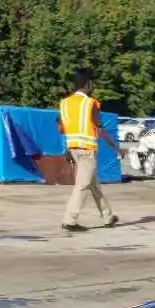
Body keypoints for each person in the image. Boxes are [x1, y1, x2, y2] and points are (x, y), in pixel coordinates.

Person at [57, 69, 120, 231]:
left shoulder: (64, 103)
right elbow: (100, 129)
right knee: (83, 184)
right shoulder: (91, 103)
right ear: (87, 84)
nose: (93, 86)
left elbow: (60, 128)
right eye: (92, 83)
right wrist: (116, 149)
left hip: (73, 149)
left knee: (93, 184)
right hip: (87, 151)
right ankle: (69, 220)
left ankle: (108, 217)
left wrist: (67, 148)